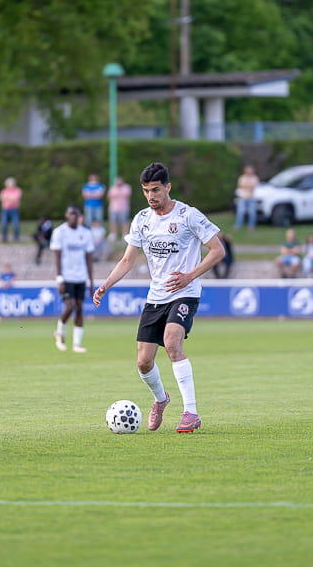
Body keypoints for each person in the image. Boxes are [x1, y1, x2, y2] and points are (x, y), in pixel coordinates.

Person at [93, 162, 224, 433]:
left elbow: (217, 250)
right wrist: (106, 284)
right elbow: (128, 260)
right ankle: (161, 399)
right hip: (156, 296)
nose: (150, 196)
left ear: (168, 187)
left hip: (184, 292)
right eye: (146, 191)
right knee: (143, 362)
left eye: (155, 190)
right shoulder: (142, 219)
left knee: (172, 343)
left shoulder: (188, 215)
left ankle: (191, 413)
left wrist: (190, 276)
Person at [51, 205, 95, 353]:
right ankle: (59, 331)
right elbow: (57, 257)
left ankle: (77, 343)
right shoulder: (59, 232)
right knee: (70, 306)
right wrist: (59, 279)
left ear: (79, 216)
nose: (73, 217)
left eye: (76, 214)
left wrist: (91, 281)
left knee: (80, 308)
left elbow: (89, 258)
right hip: (66, 277)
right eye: (71, 214)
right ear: (66, 215)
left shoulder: (86, 233)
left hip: (81, 277)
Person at [234, 164, 260, 230]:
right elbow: (240, 186)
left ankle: (251, 226)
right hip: (242, 197)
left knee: (252, 212)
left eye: (250, 170)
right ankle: (238, 225)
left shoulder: (255, 178)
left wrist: (245, 186)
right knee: (240, 212)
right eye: (248, 170)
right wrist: (248, 186)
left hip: (251, 198)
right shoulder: (242, 178)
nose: (249, 171)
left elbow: (254, 187)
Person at [0, 177, 22, 243]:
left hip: (14, 210)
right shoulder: (4, 191)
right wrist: (11, 199)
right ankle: (4, 238)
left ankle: (16, 238)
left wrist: (7, 199)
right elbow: (1, 198)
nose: (10, 185)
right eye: (9, 184)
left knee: (16, 225)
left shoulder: (18, 190)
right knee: (4, 225)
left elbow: (16, 199)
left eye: (11, 184)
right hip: (5, 210)